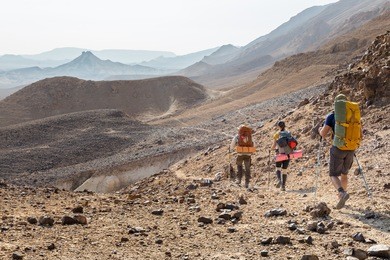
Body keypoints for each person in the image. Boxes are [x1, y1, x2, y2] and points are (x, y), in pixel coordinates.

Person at [318, 94, 361, 209]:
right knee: (344, 174)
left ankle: (342, 193)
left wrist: (319, 129)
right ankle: (342, 197)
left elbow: (323, 133)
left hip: (338, 148)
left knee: (333, 174)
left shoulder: (332, 116)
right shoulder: (352, 115)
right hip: (351, 148)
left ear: (336, 104)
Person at [229, 124, 254, 188]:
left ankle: (238, 180)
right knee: (247, 168)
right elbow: (253, 143)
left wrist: (230, 150)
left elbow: (232, 144)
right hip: (248, 153)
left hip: (240, 153)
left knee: (239, 166)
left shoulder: (237, 136)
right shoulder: (249, 136)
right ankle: (247, 183)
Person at [271, 121, 290, 191]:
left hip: (279, 153)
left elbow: (273, 145)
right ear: (284, 126)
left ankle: (279, 180)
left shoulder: (277, 134)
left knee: (278, 168)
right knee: (284, 170)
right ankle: (283, 186)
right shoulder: (288, 133)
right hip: (287, 154)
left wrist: (271, 149)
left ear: (279, 127)